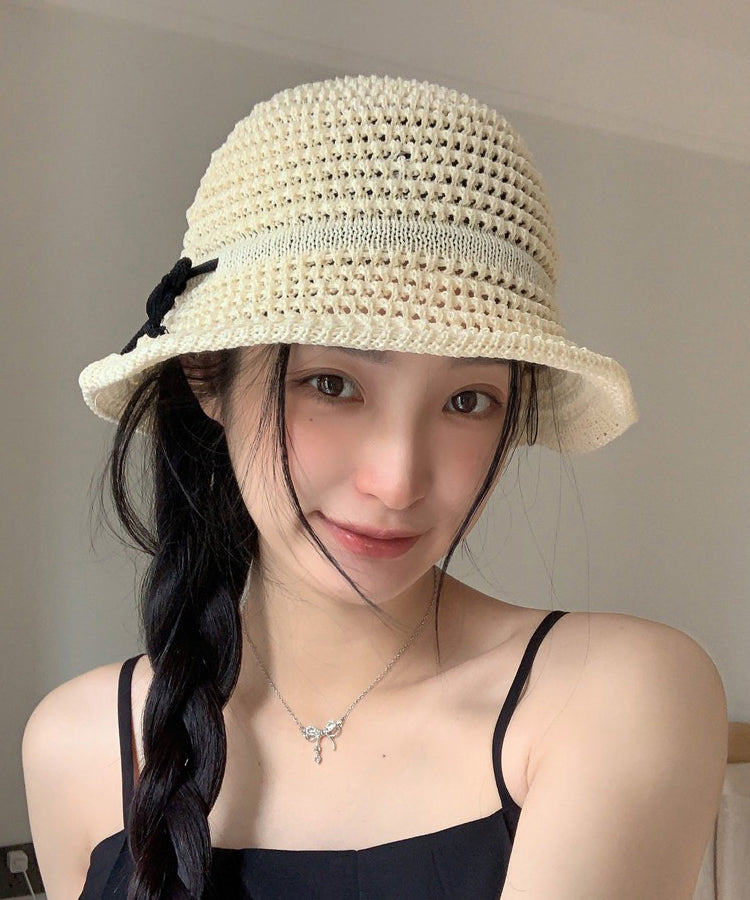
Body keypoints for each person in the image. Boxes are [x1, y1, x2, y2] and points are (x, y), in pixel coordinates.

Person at [22, 74, 727, 900]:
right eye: (332, 384)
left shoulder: (609, 695)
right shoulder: (78, 747)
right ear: (209, 376)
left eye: (468, 400)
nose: (397, 481)